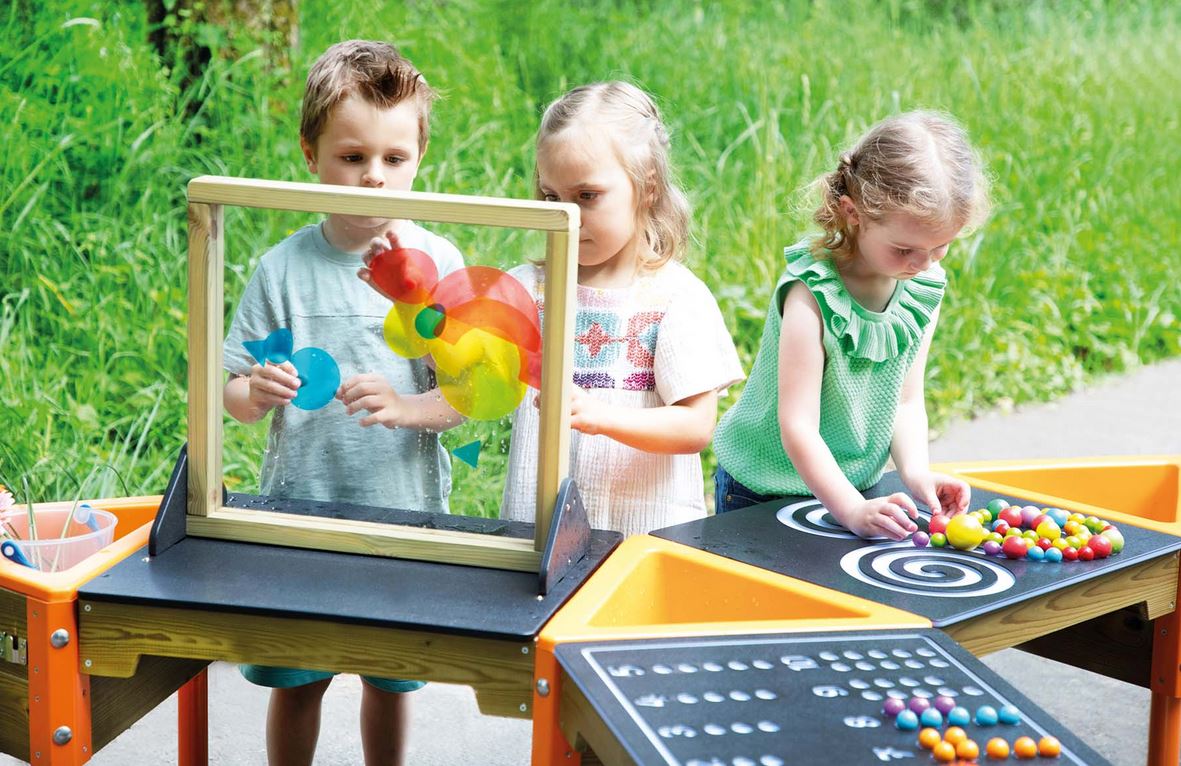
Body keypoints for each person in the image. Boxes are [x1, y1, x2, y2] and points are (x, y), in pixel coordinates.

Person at [222, 40, 462, 766]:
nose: (373, 178)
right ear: (310, 153)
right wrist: (255, 391)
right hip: (301, 514)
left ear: (420, 157)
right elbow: (233, 393)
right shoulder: (283, 268)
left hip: (404, 511)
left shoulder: (438, 264)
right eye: (351, 157)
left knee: (390, 682)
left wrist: (404, 404)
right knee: (297, 679)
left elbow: (466, 398)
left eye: (394, 159)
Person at [712, 111, 991, 540]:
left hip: (854, 485)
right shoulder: (812, 296)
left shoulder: (921, 285)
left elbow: (905, 400)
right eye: (904, 249)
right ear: (853, 213)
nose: (922, 264)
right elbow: (797, 426)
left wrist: (916, 473)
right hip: (763, 487)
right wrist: (852, 511)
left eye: (941, 248)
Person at [498, 81, 744, 537]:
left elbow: (695, 425)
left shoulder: (674, 297)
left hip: (643, 538)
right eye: (552, 198)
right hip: (538, 536)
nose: (567, 215)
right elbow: (468, 374)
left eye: (586, 196)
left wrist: (602, 418)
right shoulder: (526, 290)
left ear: (646, 187)